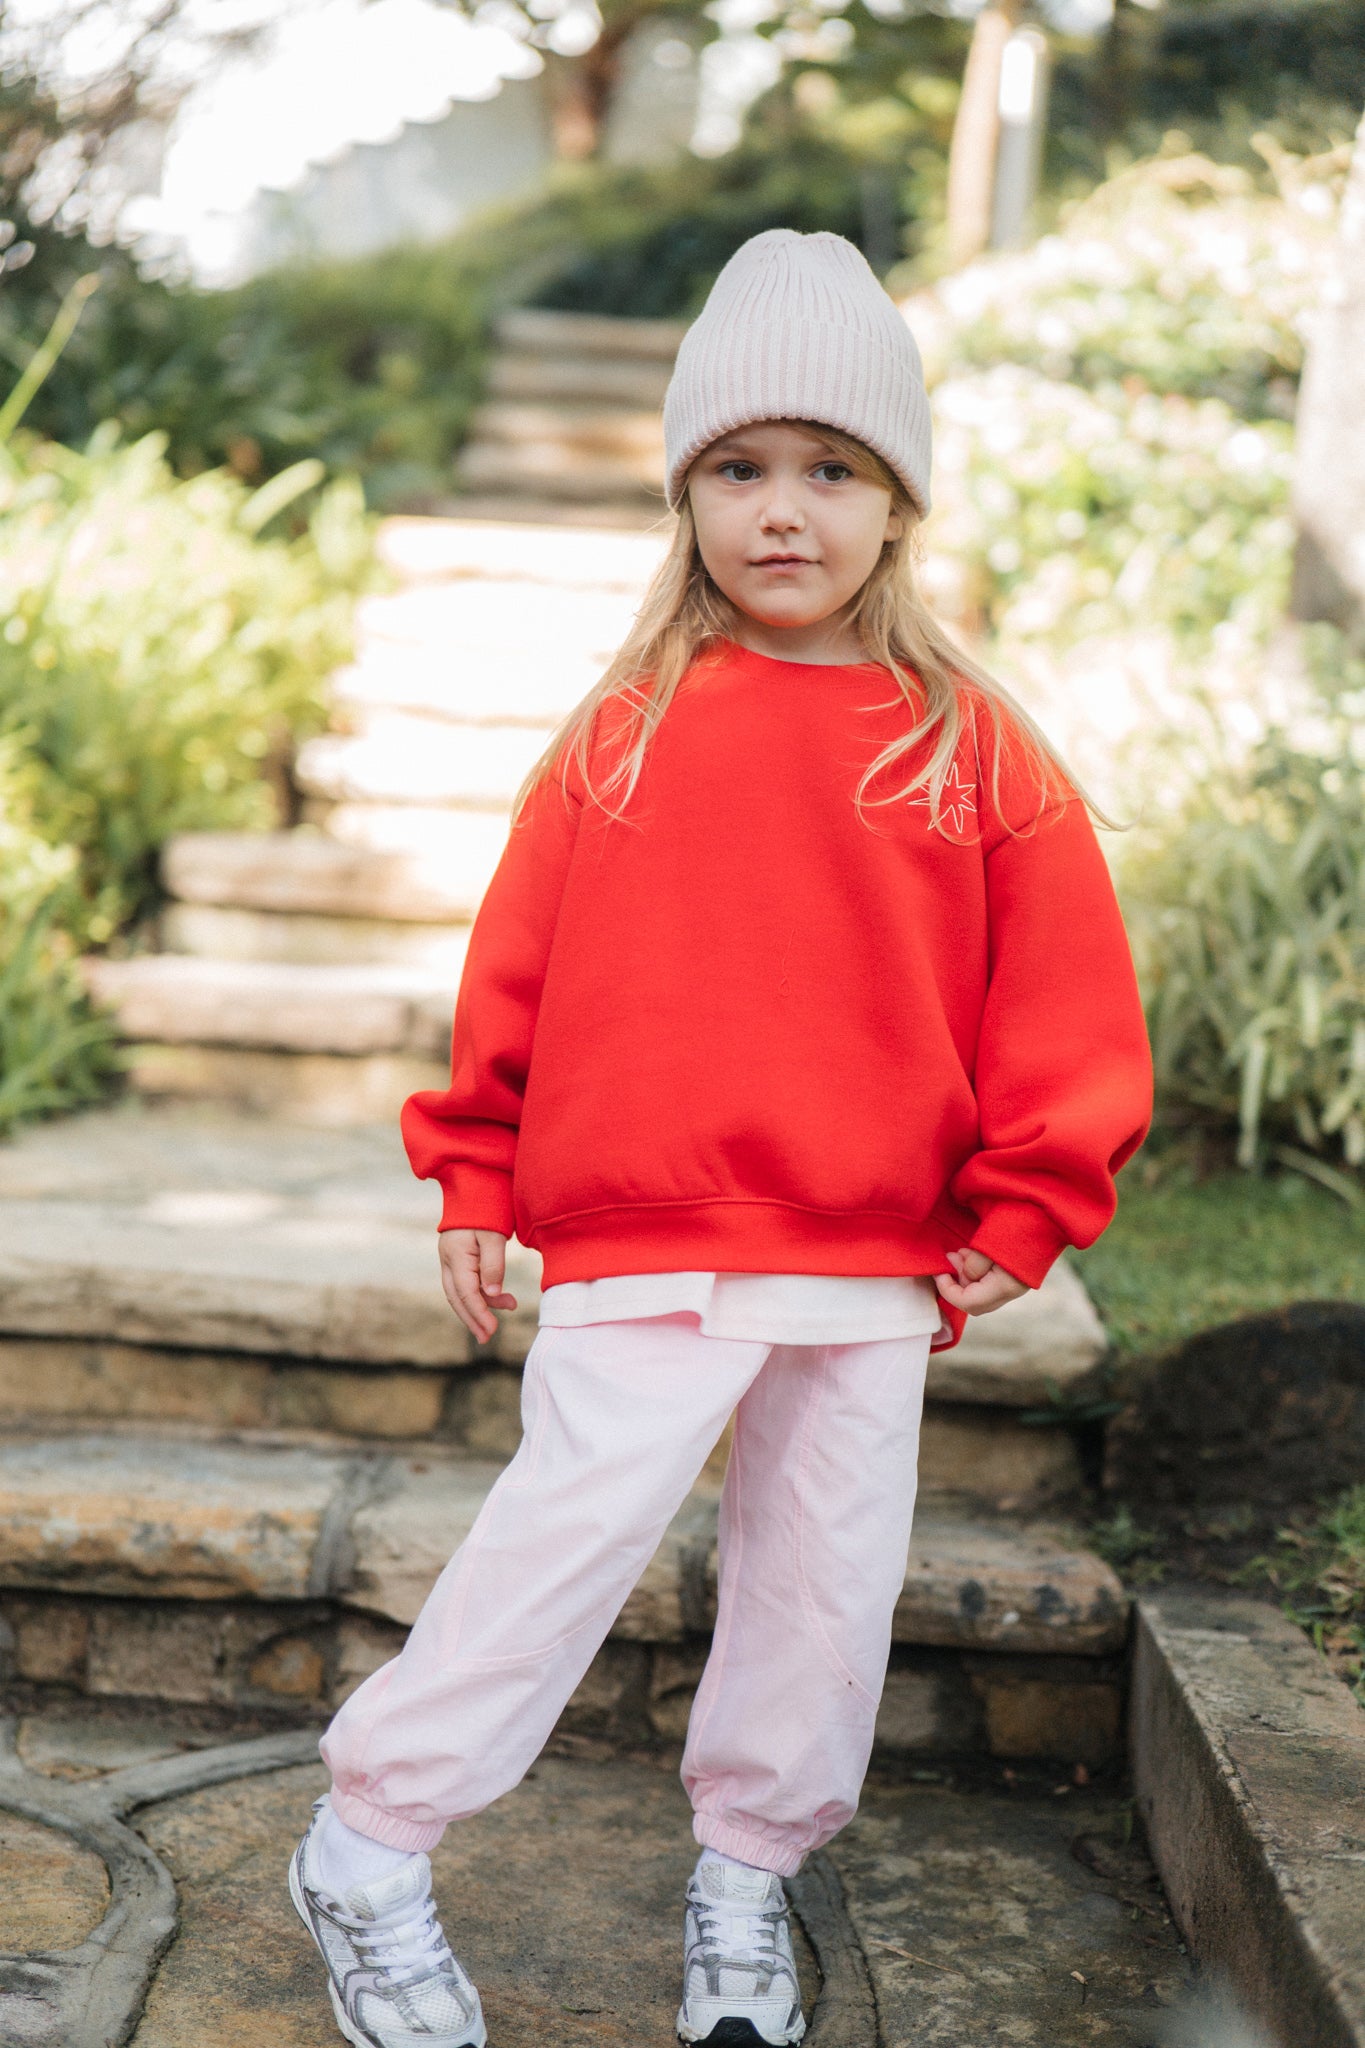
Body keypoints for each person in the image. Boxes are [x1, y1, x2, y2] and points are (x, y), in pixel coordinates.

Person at [289, 228, 1152, 2048]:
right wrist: (477, 1166)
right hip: (645, 1234)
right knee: (563, 1540)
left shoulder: (967, 745)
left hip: (869, 1250)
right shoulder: (619, 734)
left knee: (822, 1580)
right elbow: (511, 973)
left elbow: (1063, 1000)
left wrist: (1033, 1188)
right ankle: (369, 1840)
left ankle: (749, 1878)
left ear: (895, 503)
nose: (784, 511)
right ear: (682, 493)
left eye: (831, 470)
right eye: (738, 470)